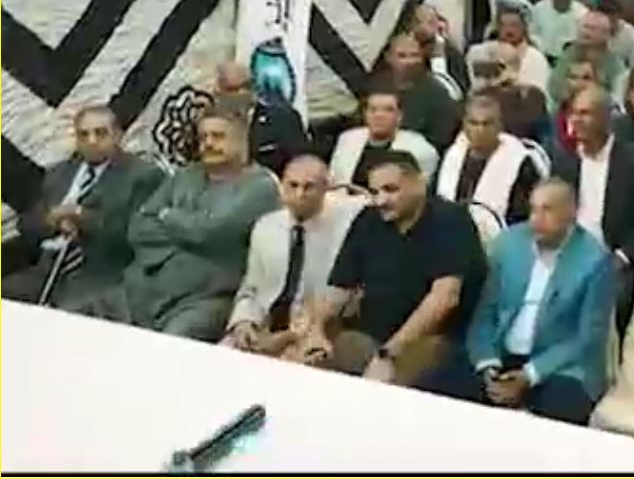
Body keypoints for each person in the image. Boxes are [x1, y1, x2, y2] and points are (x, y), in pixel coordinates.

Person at [420, 180, 616, 426]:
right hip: (500, 353)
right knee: (434, 390)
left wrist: (529, 375)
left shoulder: (596, 261)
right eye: (533, 209)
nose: (535, 219)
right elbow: (486, 310)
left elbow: (587, 337)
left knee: (561, 412)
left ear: (571, 213)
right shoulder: (509, 243)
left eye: (547, 210)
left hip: (557, 366)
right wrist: (487, 363)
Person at [68, 112, 279, 340]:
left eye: (218, 136)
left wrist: (166, 214)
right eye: (203, 137)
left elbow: (207, 231)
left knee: (166, 348)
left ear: (242, 141)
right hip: (139, 290)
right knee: (69, 320)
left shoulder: (260, 186)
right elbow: (139, 228)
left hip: (202, 300)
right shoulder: (186, 174)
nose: (208, 143)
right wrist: (187, 228)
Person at [299, 152, 486, 386]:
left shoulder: (452, 220)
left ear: (419, 184)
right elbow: (339, 289)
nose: (380, 201)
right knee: (309, 363)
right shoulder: (368, 218)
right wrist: (316, 330)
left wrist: (389, 352)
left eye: (390, 190)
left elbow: (444, 299)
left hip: (432, 341)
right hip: (370, 337)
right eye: (375, 192)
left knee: (384, 382)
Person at [2, 106, 165, 307]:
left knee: (70, 311)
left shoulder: (144, 176)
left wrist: (82, 217)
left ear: (118, 135)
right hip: (49, 269)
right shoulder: (59, 173)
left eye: (101, 133)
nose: (92, 141)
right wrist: (52, 220)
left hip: (102, 274)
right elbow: (26, 224)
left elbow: (137, 236)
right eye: (83, 135)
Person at [550, 85, 634, 331]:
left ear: (606, 118)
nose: (576, 120)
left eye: (585, 113)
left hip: (615, 259)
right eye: (574, 113)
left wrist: (623, 257)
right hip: (568, 256)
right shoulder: (564, 162)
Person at [223, 157, 363, 358]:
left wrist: (288, 337)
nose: (300, 194)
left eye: (309, 187)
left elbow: (341, 299)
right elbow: (251, 287)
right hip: (263, 326)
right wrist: (243, 322)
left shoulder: (345, 232)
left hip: (315, 332)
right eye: (293, 185)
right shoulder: (266, 226)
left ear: (325, 188)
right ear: (281, 186)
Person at [435, 96, 545, 226]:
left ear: (499, 126)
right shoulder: (452, 155)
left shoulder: (520, 162)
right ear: (464, 125)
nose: (480, 130)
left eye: (487, 124)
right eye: (473, 123)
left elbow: (523, 216)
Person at [329, 84, 439, 190]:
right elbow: (334, 181)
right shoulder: (347, 139)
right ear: (365, 114)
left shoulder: (420, 149)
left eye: (388, 110)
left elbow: (419, 192)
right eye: (373, 110)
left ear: (400, 116)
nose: (379, 115)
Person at [212, 61, 309, 179]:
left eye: (246, 86)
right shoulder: (210, 123)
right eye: (231, 89)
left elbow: (302, 165)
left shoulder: (283, 118)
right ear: (218, 91)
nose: (241, 92)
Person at [378, 32, 460, 152]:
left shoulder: (437, 92)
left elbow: (442, 139)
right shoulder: (377, 86)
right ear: (389, 57)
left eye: (414, 55)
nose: (409, 61)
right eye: (402, 56)